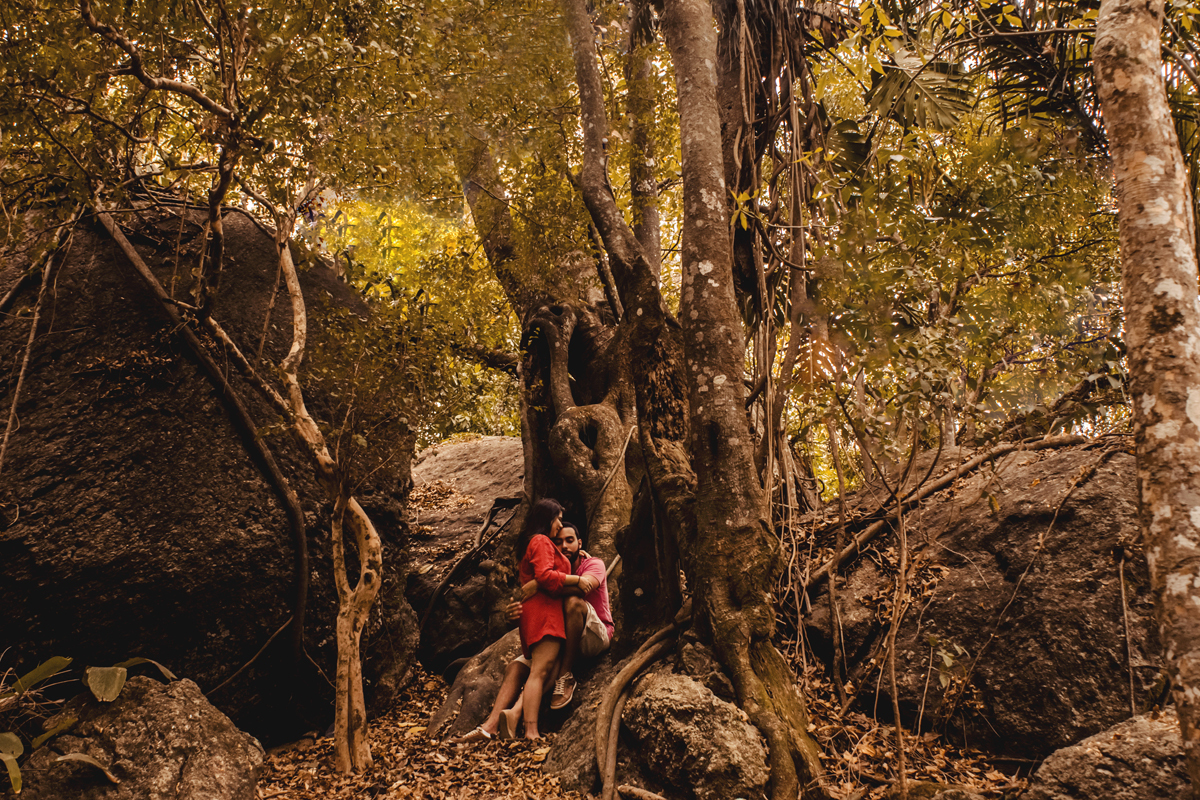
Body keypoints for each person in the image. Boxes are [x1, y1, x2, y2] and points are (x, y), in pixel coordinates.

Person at [456, 513, 613, 742]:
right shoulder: (558, 571)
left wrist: (540, 583)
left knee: (571, 604)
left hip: (594, 635)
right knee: (516, 666)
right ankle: (490, 726)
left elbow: (583, 588)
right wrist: (514, 616)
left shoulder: (593, 563)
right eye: (558, 542)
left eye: (570, 540)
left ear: (580, 544)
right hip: (565, 638)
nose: (564, 546)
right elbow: (541, 609)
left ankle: (565, 674)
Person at [454, 498, 573, 742]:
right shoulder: (541, 541)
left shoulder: (536, 543)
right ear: (547, 519)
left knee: (539, 671)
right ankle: (530, 731)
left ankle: (502, 724)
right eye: (558, 519)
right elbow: (546, 576)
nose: (560, 525)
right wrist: (578, 581)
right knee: (538, 674)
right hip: (544, 613)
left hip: (537, 613)